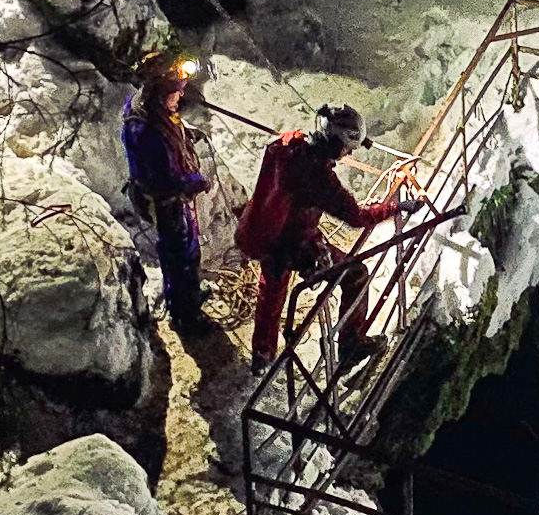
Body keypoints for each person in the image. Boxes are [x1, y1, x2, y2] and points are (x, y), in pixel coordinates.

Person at [238, 104, 423, 373]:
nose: (348, 154)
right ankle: (350, 344)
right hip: (295, 242)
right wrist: (396, 207)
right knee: (356, 274)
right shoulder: (319, 178)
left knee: (272, 292)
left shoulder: (289, 145)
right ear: (337, 144)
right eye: (349, 148)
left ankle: (262, 355)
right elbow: (356, 218)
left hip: (267, 232)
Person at [122, 53, 214, 337]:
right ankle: (184, 315)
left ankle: (190, 296)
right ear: (158, 93)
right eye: (174, 94)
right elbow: (163, 179)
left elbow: (171, 129)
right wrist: (195, 182)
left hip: (174, 201)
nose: (179, 99)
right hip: (165, 204)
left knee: (190, 252)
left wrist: (188, 136)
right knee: (178, 257)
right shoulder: (144, 130)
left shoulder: (154, 110)